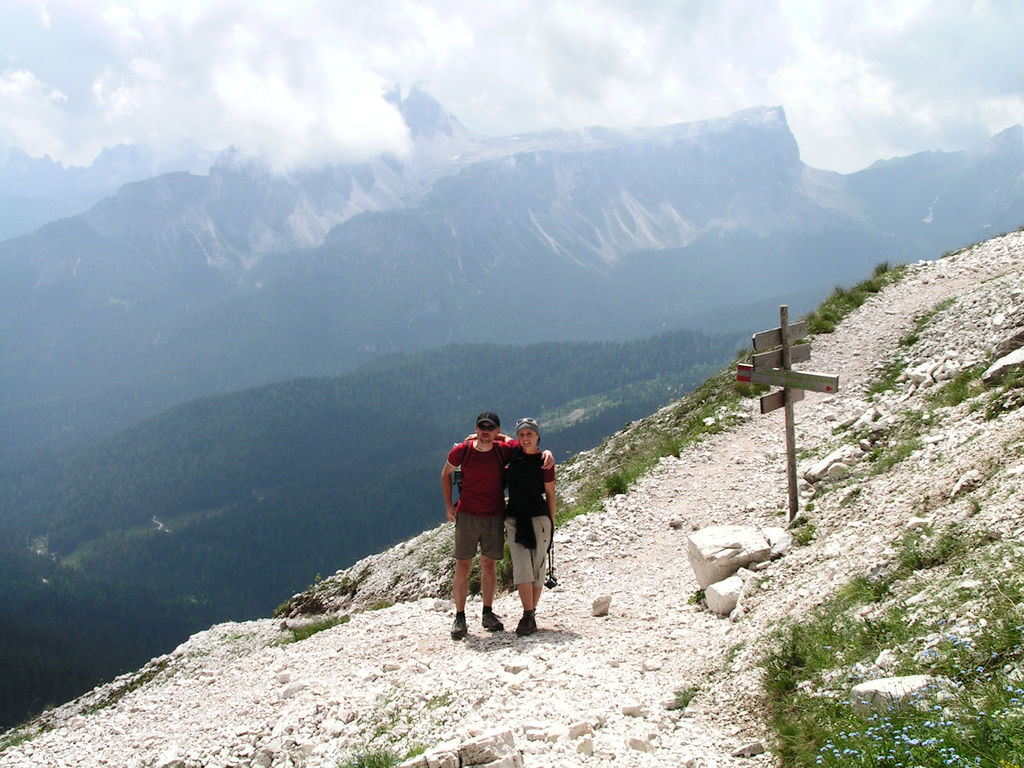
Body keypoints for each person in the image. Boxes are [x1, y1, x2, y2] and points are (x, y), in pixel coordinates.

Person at [440, 411, 551, 640]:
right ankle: (460, 617)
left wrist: (547, 452)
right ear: (477, 428)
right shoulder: (463, 450)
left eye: (490, 429)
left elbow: (521, 443)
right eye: (482, 428)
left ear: (497, 431)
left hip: (494, 515)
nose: (485, 432)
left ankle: (488, 612)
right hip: (468, 514)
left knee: (488, 565)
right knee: (463, 566)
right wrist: (449, 505)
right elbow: (446, 473)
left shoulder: (504, 450)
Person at [503, 417, 556, 636]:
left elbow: (551, 494)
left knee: (537, 568)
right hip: (515, 518)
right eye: (522, 434)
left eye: (530, 435)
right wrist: (473, 437)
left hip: (538, 518)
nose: (525, 438)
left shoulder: (545, 463)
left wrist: (552, 525)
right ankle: (527, 614)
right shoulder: (513, 450)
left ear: (537, 437)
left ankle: (530, 615)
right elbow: (499, 436)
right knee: (522, 566)